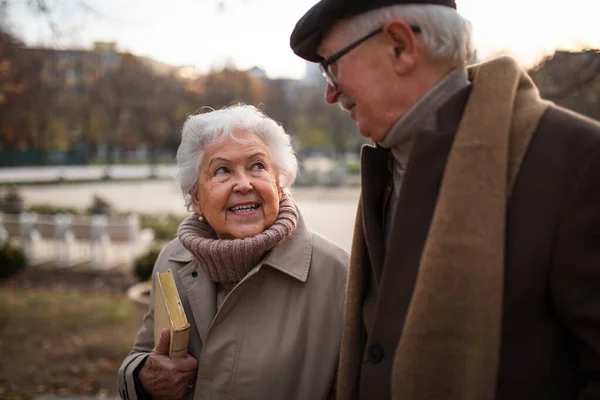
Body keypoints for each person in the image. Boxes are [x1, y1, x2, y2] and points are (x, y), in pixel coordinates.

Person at [290, 1, 600, 399]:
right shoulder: (389, 164)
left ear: (400, 45)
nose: (330, 93)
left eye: (331, 66)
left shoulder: (578, 161)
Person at [117, 104, 348, 400]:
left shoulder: (337, 273)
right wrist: (144, 378)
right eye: (222, 170)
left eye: (257, 166)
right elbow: (144, 354)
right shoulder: (172, 260)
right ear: (196, 198)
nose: (244, 184)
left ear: (278, 183)